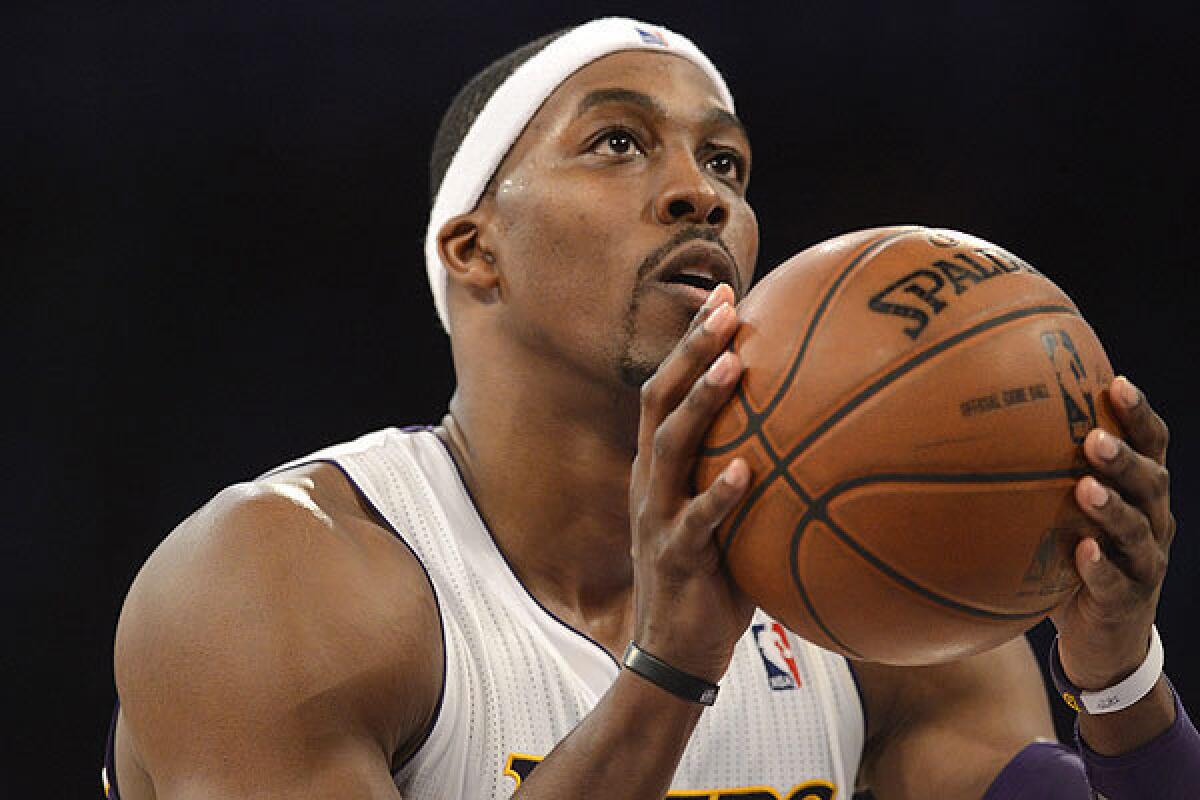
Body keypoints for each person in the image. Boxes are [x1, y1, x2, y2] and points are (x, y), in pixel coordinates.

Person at [105, 17, 1197, 800]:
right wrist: (669, 673)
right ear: (474, 248)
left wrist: (1117, 673)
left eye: (725, 160)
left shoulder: (870, 580)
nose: (701, 191)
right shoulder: (270, 581)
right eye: (618, 142)